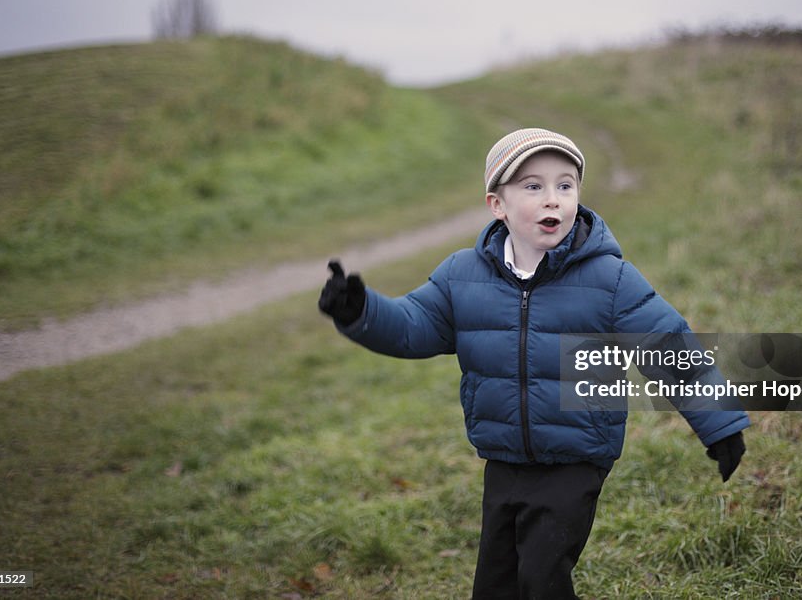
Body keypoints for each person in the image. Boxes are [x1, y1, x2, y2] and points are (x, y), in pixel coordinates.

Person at [319, 127, 749, 599]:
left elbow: (670, 347)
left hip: (577, 455)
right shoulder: (462, 276)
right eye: (533, 186)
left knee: (542, 578)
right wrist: (359, 310)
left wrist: (720, 423)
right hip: (503, 456)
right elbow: (411, 326)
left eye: (566, 185)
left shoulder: (610, 279)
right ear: (496, 205)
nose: (554, 199)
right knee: (496, 583)